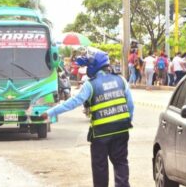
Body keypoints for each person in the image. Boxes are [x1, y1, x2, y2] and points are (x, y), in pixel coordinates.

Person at [41, 48, 134, 187]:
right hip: (121, 131)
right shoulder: (121, 80)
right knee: (121, 164)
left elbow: (72, 103)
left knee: (100, 168)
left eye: (89, 65)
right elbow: (130, 106)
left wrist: (50, 112)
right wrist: (126, 122)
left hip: (100, 135)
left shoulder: (91, 85)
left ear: (95, 65)